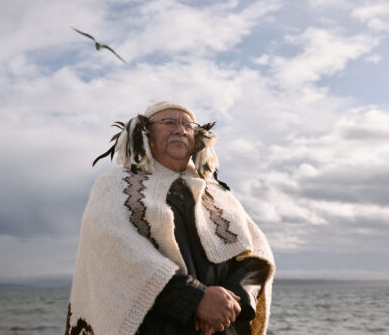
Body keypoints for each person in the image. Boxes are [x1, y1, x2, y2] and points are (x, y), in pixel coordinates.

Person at [65, 101, 274, 335]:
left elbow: (256, 254)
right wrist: (196, 299)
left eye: (187, 125)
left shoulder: (219, 193)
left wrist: (231, 301)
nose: (180, 130)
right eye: (169, 122)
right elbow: (114, 247)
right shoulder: (115, 184)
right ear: (146, 134)